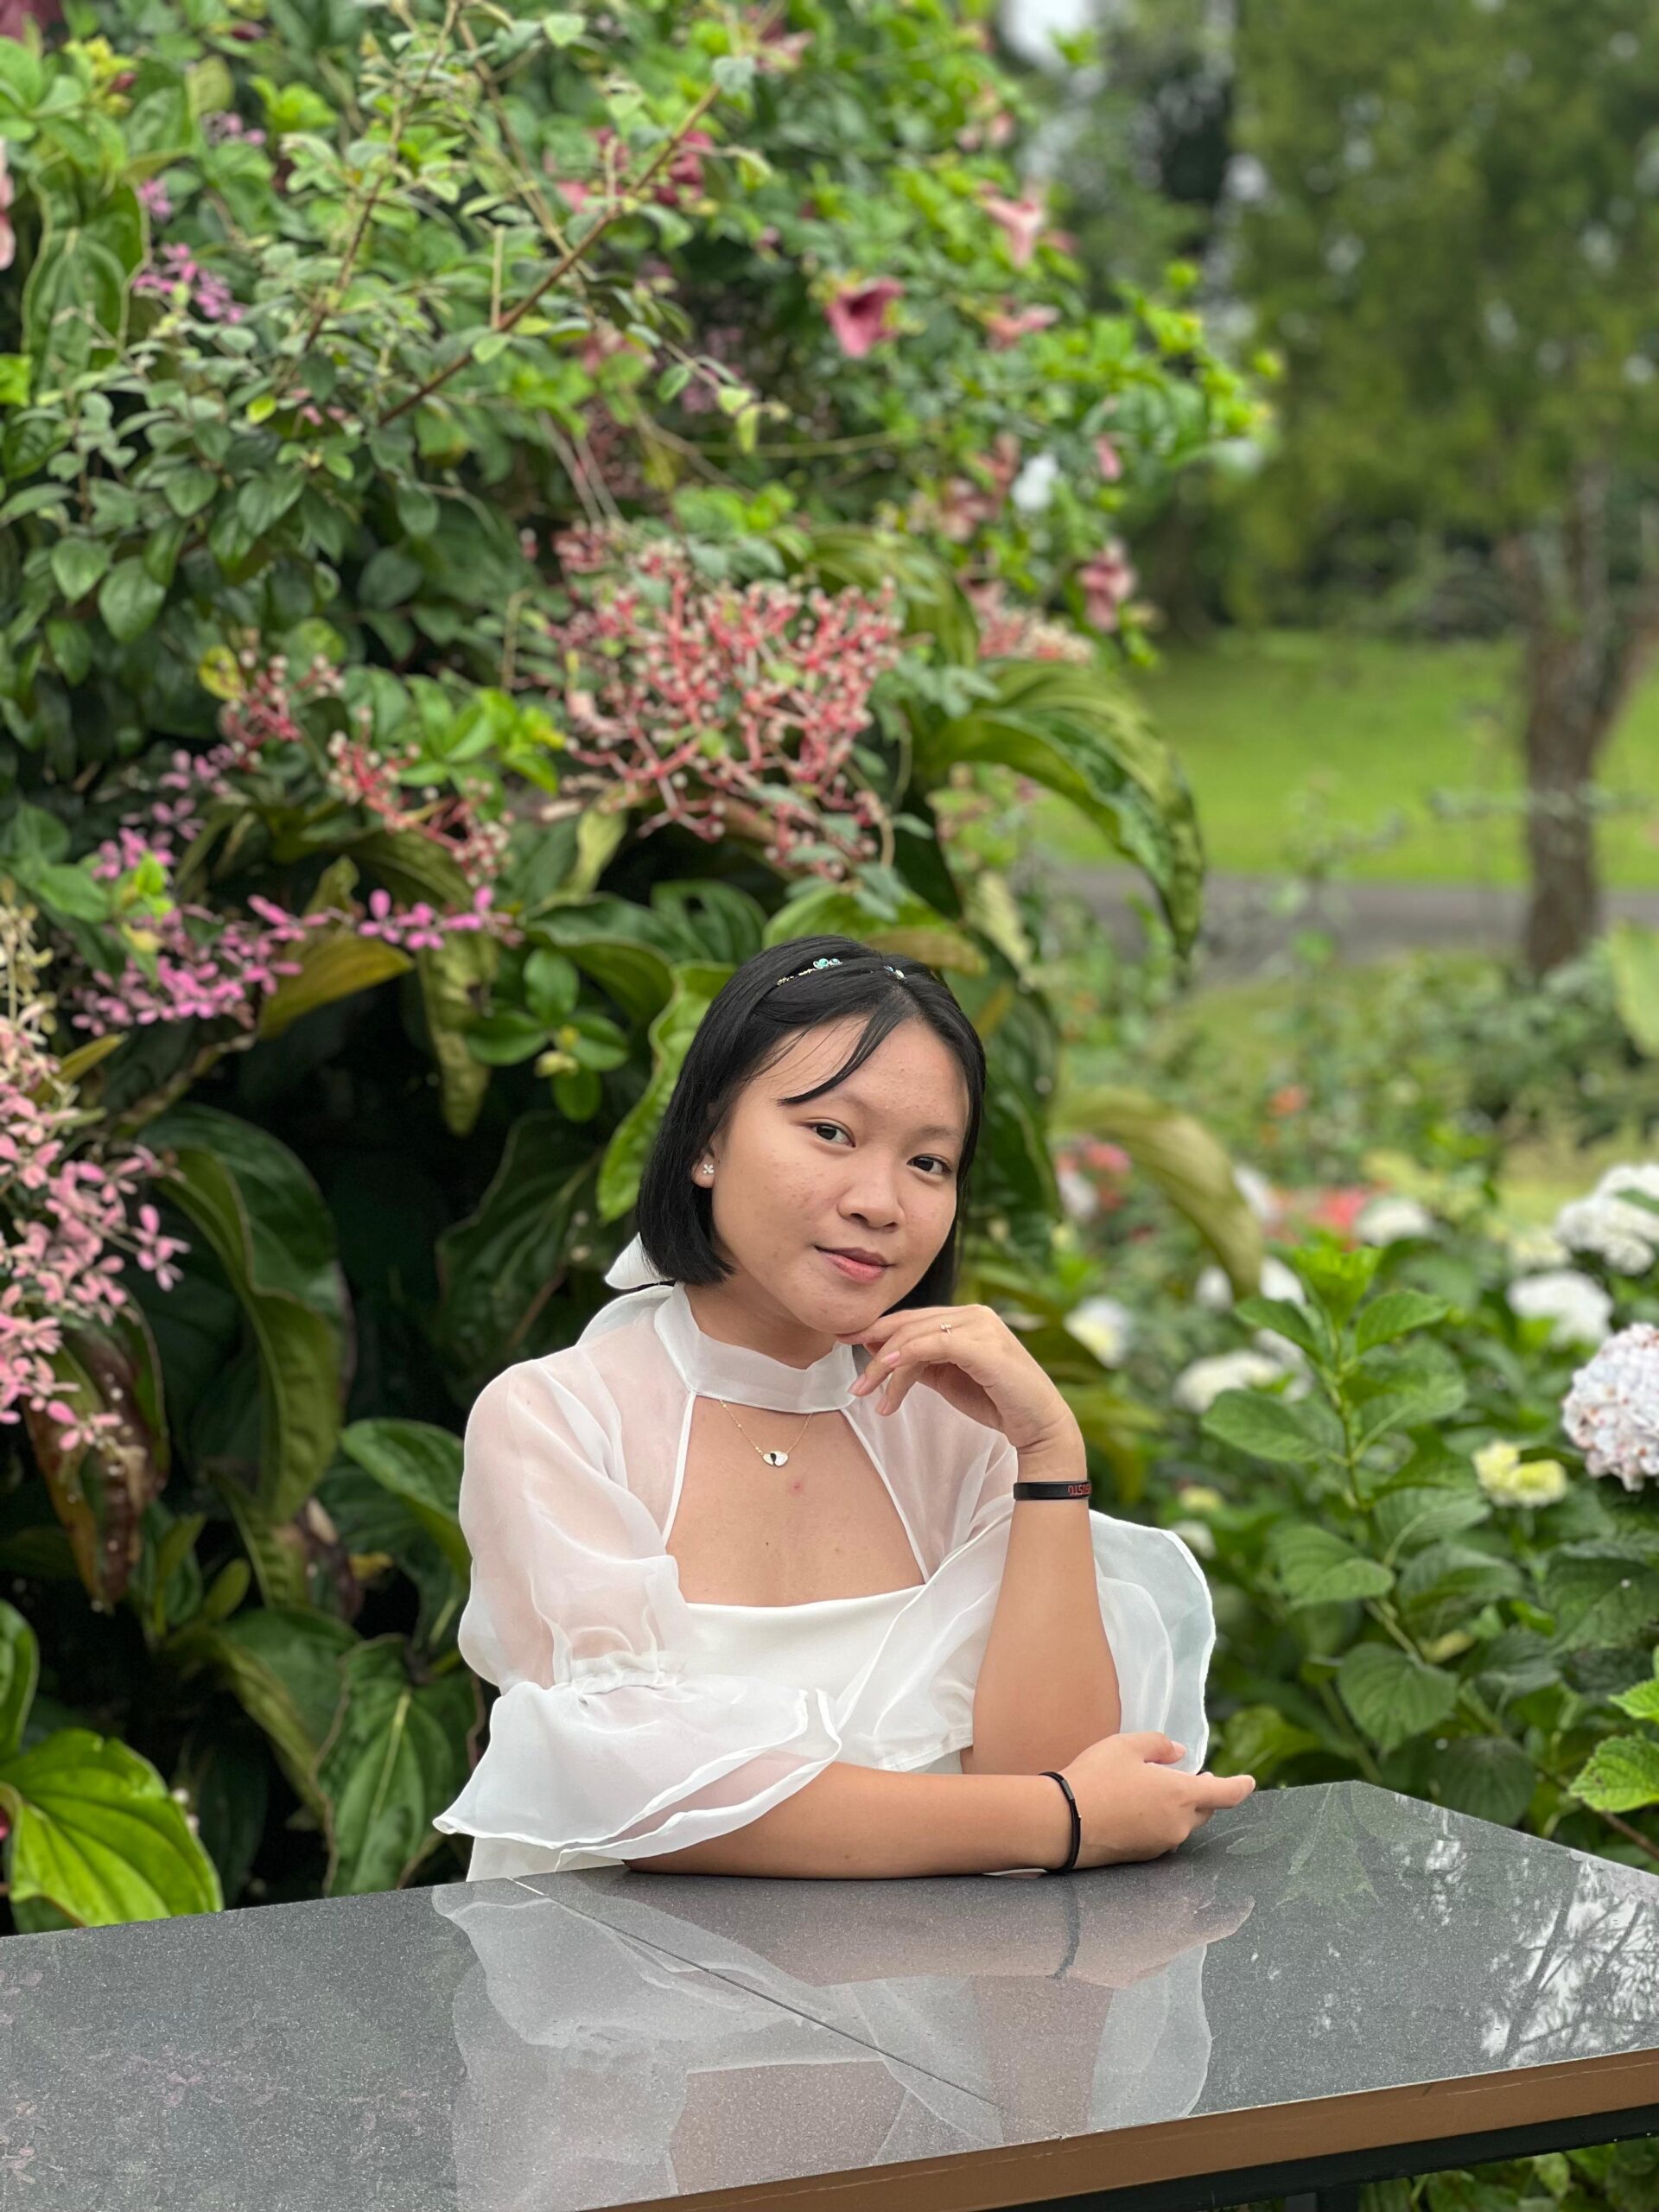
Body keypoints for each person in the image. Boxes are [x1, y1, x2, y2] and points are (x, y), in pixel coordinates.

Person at [431, 932, 1254, 1880]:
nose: (880, 1202)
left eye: (930, 1163)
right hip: (626, 1974)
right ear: (705, 1141)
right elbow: (656, 1803)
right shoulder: (560, 1422)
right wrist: (1058, 1820)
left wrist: (1048, 1451)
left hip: (942, 1975)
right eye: (831, 1132)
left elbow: (1057, 1768)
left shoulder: (954, 1430)